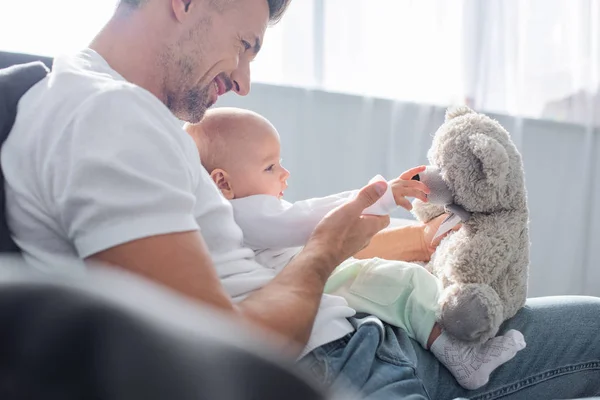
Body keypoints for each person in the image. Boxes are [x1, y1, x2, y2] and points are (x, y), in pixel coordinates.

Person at [2, 1, 599, 399]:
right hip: (340, 364)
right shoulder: (106, 113)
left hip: (366, 337)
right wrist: (324, 248)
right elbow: (216, 342)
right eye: (243, 43)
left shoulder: (125, 116)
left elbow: (255, 261)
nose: (243, 79)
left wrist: (398, 240)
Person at [185, 107, 527, 390]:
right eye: (270, 166)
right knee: (404, 282)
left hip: (311, 285)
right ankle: (460, 355)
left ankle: (454, 349)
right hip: (313, 291)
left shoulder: (236, 217)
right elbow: (309, 219)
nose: (285, 174)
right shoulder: (243, 212)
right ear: (223, 182)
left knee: (405, 280)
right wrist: (382, 195)